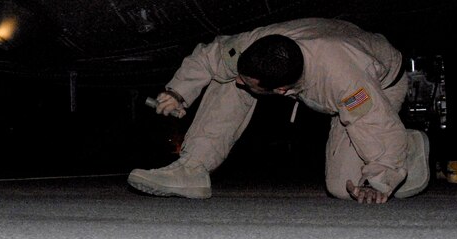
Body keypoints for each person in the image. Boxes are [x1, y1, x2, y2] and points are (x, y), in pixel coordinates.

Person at [127, 18, 429, 204]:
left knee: (343, 188)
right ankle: (192, 168)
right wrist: (177, 92)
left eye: (252, 82)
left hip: (381, 84)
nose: (243, 82)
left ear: (282, 91)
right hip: (324, 48)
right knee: (230, 79)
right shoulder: (252, 48)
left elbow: (372, 122)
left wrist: (380, 179)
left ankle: (408, 146)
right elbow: (211, 56)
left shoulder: (347, 83)